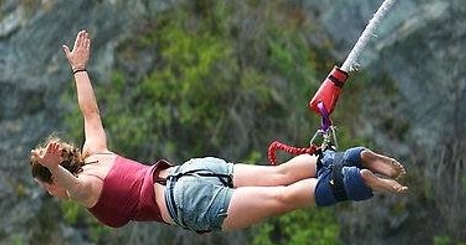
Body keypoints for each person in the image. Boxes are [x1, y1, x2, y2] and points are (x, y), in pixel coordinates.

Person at [30, 30, 408, 233]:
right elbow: (91, 113)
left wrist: (55, 168)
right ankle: (351, 158)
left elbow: (76, 189)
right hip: (191, 170)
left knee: (283, 199)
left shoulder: (86, 190)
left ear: (52, 183)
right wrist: (79, 69)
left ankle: (357, 182)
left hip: (186, 202)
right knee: (279, 176)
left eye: (49, 188)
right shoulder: (97, 154)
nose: (55, 193)